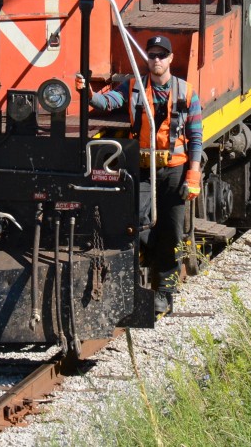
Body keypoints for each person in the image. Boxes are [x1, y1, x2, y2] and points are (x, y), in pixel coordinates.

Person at [74, 35, 202, 315]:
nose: (156, 60)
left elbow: (195, 135)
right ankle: (151, 265)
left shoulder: (187, 92)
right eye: (152, 55)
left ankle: (165, 294)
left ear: (170, 59)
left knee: (172, 232)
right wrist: (88, 93)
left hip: (175, 171)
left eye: (161, 55)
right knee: (139, 224)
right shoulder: (133, 87)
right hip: (142, 170)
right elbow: (107, 102)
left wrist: (194, 173)